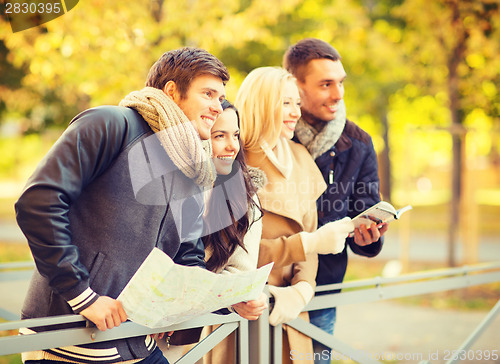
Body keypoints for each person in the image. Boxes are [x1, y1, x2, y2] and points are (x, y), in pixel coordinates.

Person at [14, 47, 230, 364]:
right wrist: (81, 296)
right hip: (71, 341)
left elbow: (188, 253)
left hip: (139, 343)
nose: (217, 107)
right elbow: (38, 201)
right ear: (172, 91)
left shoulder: (193, 165)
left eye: (221, 98)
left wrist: (223, 302)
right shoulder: (111, 124)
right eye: (208, 94)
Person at [235, 67, 354, 364]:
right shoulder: (233, 160)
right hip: (244, 312)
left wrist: (302, 289)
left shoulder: (300, 156)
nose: (295, 113)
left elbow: (311, 234)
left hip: (291, 312)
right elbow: (233, 252)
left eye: (296, 103)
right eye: (285, 103)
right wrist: (307, 244)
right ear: (262, 104)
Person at [283, 38, 389, 363]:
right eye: (326, 84)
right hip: (266, 289)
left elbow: (365, 211)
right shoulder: (270, 134)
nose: (338, 94)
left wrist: (369, 237)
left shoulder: (358, 143)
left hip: (321, 293)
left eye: (340, 82)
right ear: (295, 86)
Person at [160, 100, 267, 363]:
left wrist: (237, 298)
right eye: (220, 136)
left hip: (189, 338)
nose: (232, 146)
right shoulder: (166, 188)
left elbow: (238, 273)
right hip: (129, 327)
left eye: (236, 135)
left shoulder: (246, 201)